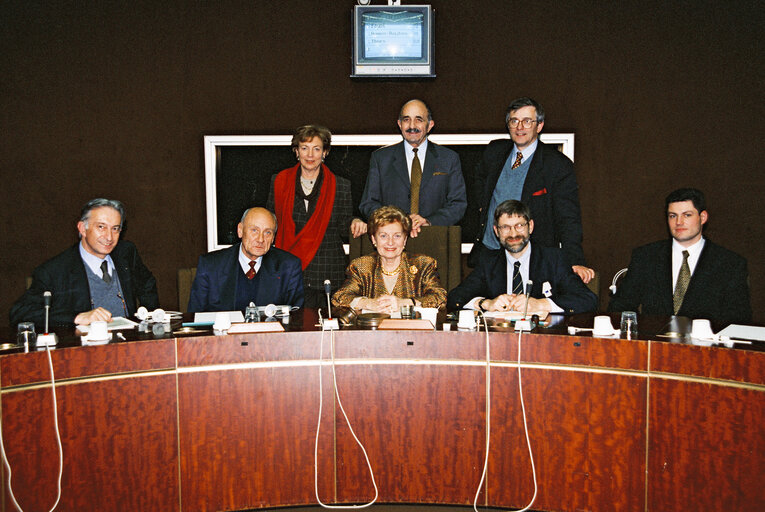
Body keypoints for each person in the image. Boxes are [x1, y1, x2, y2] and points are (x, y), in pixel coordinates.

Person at [470, 97, 594, 283]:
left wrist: (575, 260)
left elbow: (568, 218)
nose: (520, 127)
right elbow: (478, 179)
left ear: (540, 126)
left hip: (532, 260)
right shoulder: (494, 151)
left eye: (527, 121)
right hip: (490, 253)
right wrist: (483, 207)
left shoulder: (557, 165)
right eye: (514, 121)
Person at [608, 188, 751, 325]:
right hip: (654, 344)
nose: (678, 222)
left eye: (687, 215)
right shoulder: (646, 257)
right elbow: (620, 307)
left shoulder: (730, 264)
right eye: (673, 216)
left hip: (706, 347)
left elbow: (738, 319)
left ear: (702, 217)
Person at [9, 198, 159, 327]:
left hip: (129, 348)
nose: (109, 237)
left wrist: (150, 320)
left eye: (115, 229)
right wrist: (77, 317)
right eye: (101, 227)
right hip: (82, 351)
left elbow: (147, 284)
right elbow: (21, 312)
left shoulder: (126, 253)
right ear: (82, 228)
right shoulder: (55, 270)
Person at [448, 200, 597, 314]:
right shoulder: (488, 262)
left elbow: (587, 299)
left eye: (519, 225)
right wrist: (486, 304)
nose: (513, 234)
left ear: (530, 226)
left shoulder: (553, 259)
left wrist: (541, 304)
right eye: (505, 227)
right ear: (496, 231)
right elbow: (454, 298)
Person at [266, 125, 354, 308]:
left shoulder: (341, 185)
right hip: (290, 270)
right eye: (304, 148)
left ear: (325, 153)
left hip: (328, 271)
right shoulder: (279, 181)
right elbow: (271, 222)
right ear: (296, 151)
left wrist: (356, 222)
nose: (310, 155)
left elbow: (344, 227)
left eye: (316, 149)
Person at [356, 99, 467, 238]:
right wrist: (396, 221)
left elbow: (458, 204)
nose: (412, 126)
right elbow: (368, 204)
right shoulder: (380, 159)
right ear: (399, 124)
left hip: (435, 239)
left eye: (419, 119)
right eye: (406, 120)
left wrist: (429, 221)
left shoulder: (449, 159)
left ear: (430, 125)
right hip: (392, 242)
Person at [187, 207, 304, 312]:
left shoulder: (288, 267)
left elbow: (295, 319)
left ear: (273, 238)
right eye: (254, 230)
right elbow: (195, 319)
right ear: (240, 230)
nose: (260, 239)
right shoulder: (211, 265)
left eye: (268, 232)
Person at [333, 205, 447, 312]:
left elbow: (440, 298)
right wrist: (369, 303)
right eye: (383, 236)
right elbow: (340, 297)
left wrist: (405, 303)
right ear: (373, 239)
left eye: (397, 236)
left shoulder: (423, 264)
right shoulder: (361, 266)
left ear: (405, 240)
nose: (390, 242)